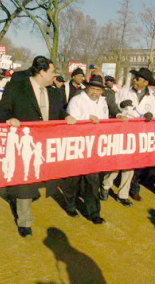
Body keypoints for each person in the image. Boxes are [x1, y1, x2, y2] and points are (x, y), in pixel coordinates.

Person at [0, 56, 70, 237]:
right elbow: (1, 110)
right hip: (24, 143)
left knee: (37, 181)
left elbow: (60, 114)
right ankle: (24, 221)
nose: (54, 76)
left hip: (46, 145)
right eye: (52, 72)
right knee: (25, 182)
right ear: (42, 71)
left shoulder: (55, 93)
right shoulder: (16, 88)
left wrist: (67, 118)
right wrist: (8, 119)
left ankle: (16, 195)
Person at [65, 76, 108, 224]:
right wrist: (87, 118)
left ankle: (94, 213)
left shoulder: (103, 102)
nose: (95, 92)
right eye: (93, 89)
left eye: (98, 89)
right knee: (74, 179)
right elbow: (71, 120)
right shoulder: (77, 100)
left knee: (93, 182)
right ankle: (70, 205)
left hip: (94, 147)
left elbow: (106, 121)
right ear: (87, 88)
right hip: (78, 145)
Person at [116, 67, 155, 201]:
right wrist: (121, 106)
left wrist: (151, 115)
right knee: (117, 162)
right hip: (124, 132)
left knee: (134, 164)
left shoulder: (152, 99)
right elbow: (114, 105)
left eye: (138, 79)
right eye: (135, 78)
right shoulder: (124, 91)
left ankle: (129, 191)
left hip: (141, 134)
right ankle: (106, 185)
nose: (135, 80)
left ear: (146, 82)